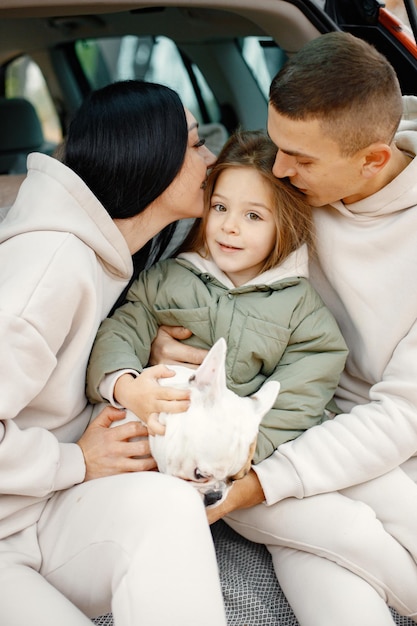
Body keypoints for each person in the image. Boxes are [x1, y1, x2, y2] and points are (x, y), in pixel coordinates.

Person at [149, 33, 417, 626]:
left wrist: (265, 483)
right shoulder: (284, 187)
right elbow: (196, 280)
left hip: (387, 440)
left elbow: (403, 416)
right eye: (276, 144)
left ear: (373, 158)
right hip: (272, 419)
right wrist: (169, 342)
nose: (278, 170)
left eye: (301, 158)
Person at [0, 79, 227, 626]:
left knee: (170, 508)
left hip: (43, 510)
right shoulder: (50, 267)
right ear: (152, 155)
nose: (212, 159)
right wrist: (77, 459)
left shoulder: (116, 250)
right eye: (196, 145)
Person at [86, 129, 348, 462]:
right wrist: (126, 385)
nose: (229, 226)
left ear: (284, 224)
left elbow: (303, 390)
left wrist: (247, 446)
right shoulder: (168, 279)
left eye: (252, 216)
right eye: (220, 207)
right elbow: (120, 331)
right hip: (165, 440)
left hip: (244, 456)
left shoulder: (299, 307)